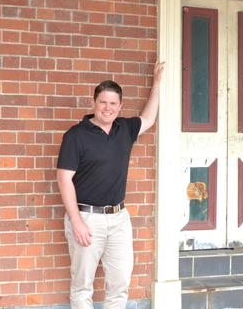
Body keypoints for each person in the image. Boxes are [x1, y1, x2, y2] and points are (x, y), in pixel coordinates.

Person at [56, 60, 165, 309]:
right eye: (103, 102)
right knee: (82, 286)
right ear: (94, 103)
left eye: (113, 103)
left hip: (119, 219)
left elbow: (148, 117)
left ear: (120, 106)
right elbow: (64, 179)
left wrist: (156, 83)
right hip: (87, 218)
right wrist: (76, 222)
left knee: (120, 283)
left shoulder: (124, 129)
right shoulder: (76, 135)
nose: (108, 108)